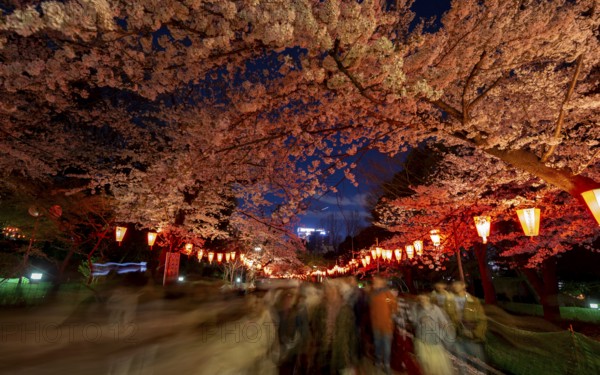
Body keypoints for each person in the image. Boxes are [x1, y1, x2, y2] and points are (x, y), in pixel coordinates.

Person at [447, 281, 487, 374]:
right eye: (454, 284)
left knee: (479, 364)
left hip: (472, 338)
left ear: (463, 286)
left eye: (457, 284)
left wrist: (475, 333)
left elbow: (482, 320)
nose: (455, 286)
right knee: (462, 364)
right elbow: (447, 317)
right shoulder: (450, 301)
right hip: (457, 337)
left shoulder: (473, 301)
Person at [413, 294, 455, 375]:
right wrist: (420, 320)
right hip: (421, 340)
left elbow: (444, 322)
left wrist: (444, 328)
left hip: (434, 340)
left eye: (424, 297)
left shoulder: (435, 309)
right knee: (425, 363)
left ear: (428, 298)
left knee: (437, 365)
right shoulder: (416, 308)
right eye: (421, 298)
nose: (423, 300)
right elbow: (414, 322)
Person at [369, 275, 397, 375]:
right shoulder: (372, 294)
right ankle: (378, 362)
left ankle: (386, 364)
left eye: (377, 280)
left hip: (386, 326)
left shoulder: (387, 295)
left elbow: (393, 306)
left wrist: (390, 317)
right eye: (374, 281)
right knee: (378, 345)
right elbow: (371, 310)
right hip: (376, 325)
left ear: (382, 282)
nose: (374, 282)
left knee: (386, 346)